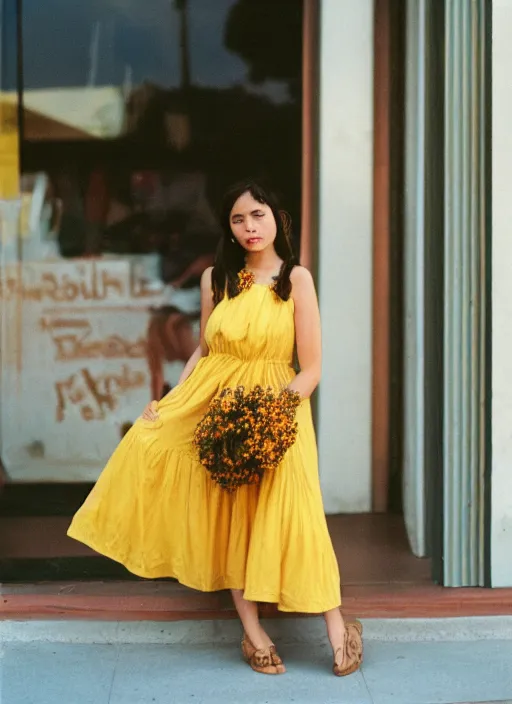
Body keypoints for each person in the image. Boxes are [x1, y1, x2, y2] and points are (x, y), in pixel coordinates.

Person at [67, 179, 363, 677]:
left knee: (295, 514)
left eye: (258, 216)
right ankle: (253, 634)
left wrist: (271, 412)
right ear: (228, 228)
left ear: (277, 219)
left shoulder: (297, 280)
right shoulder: (215, 279)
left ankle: (339, 629)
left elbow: (310, 368)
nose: (250, 227)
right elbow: (205, 350)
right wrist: (171, 401)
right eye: (238, 220)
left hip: (278, 411)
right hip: (216, 404)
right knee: (227, 518)